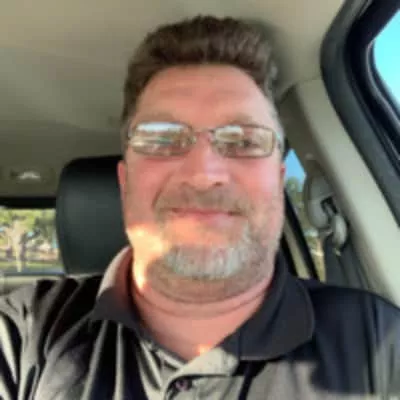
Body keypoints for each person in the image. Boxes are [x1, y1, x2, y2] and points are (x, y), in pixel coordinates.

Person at [0, 16, 399, 400]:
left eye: (244, 140)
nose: (204, 174)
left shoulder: (381, 344)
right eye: (162, 138)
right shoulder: (24, 334)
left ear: (278, 181)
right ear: (125, 182)